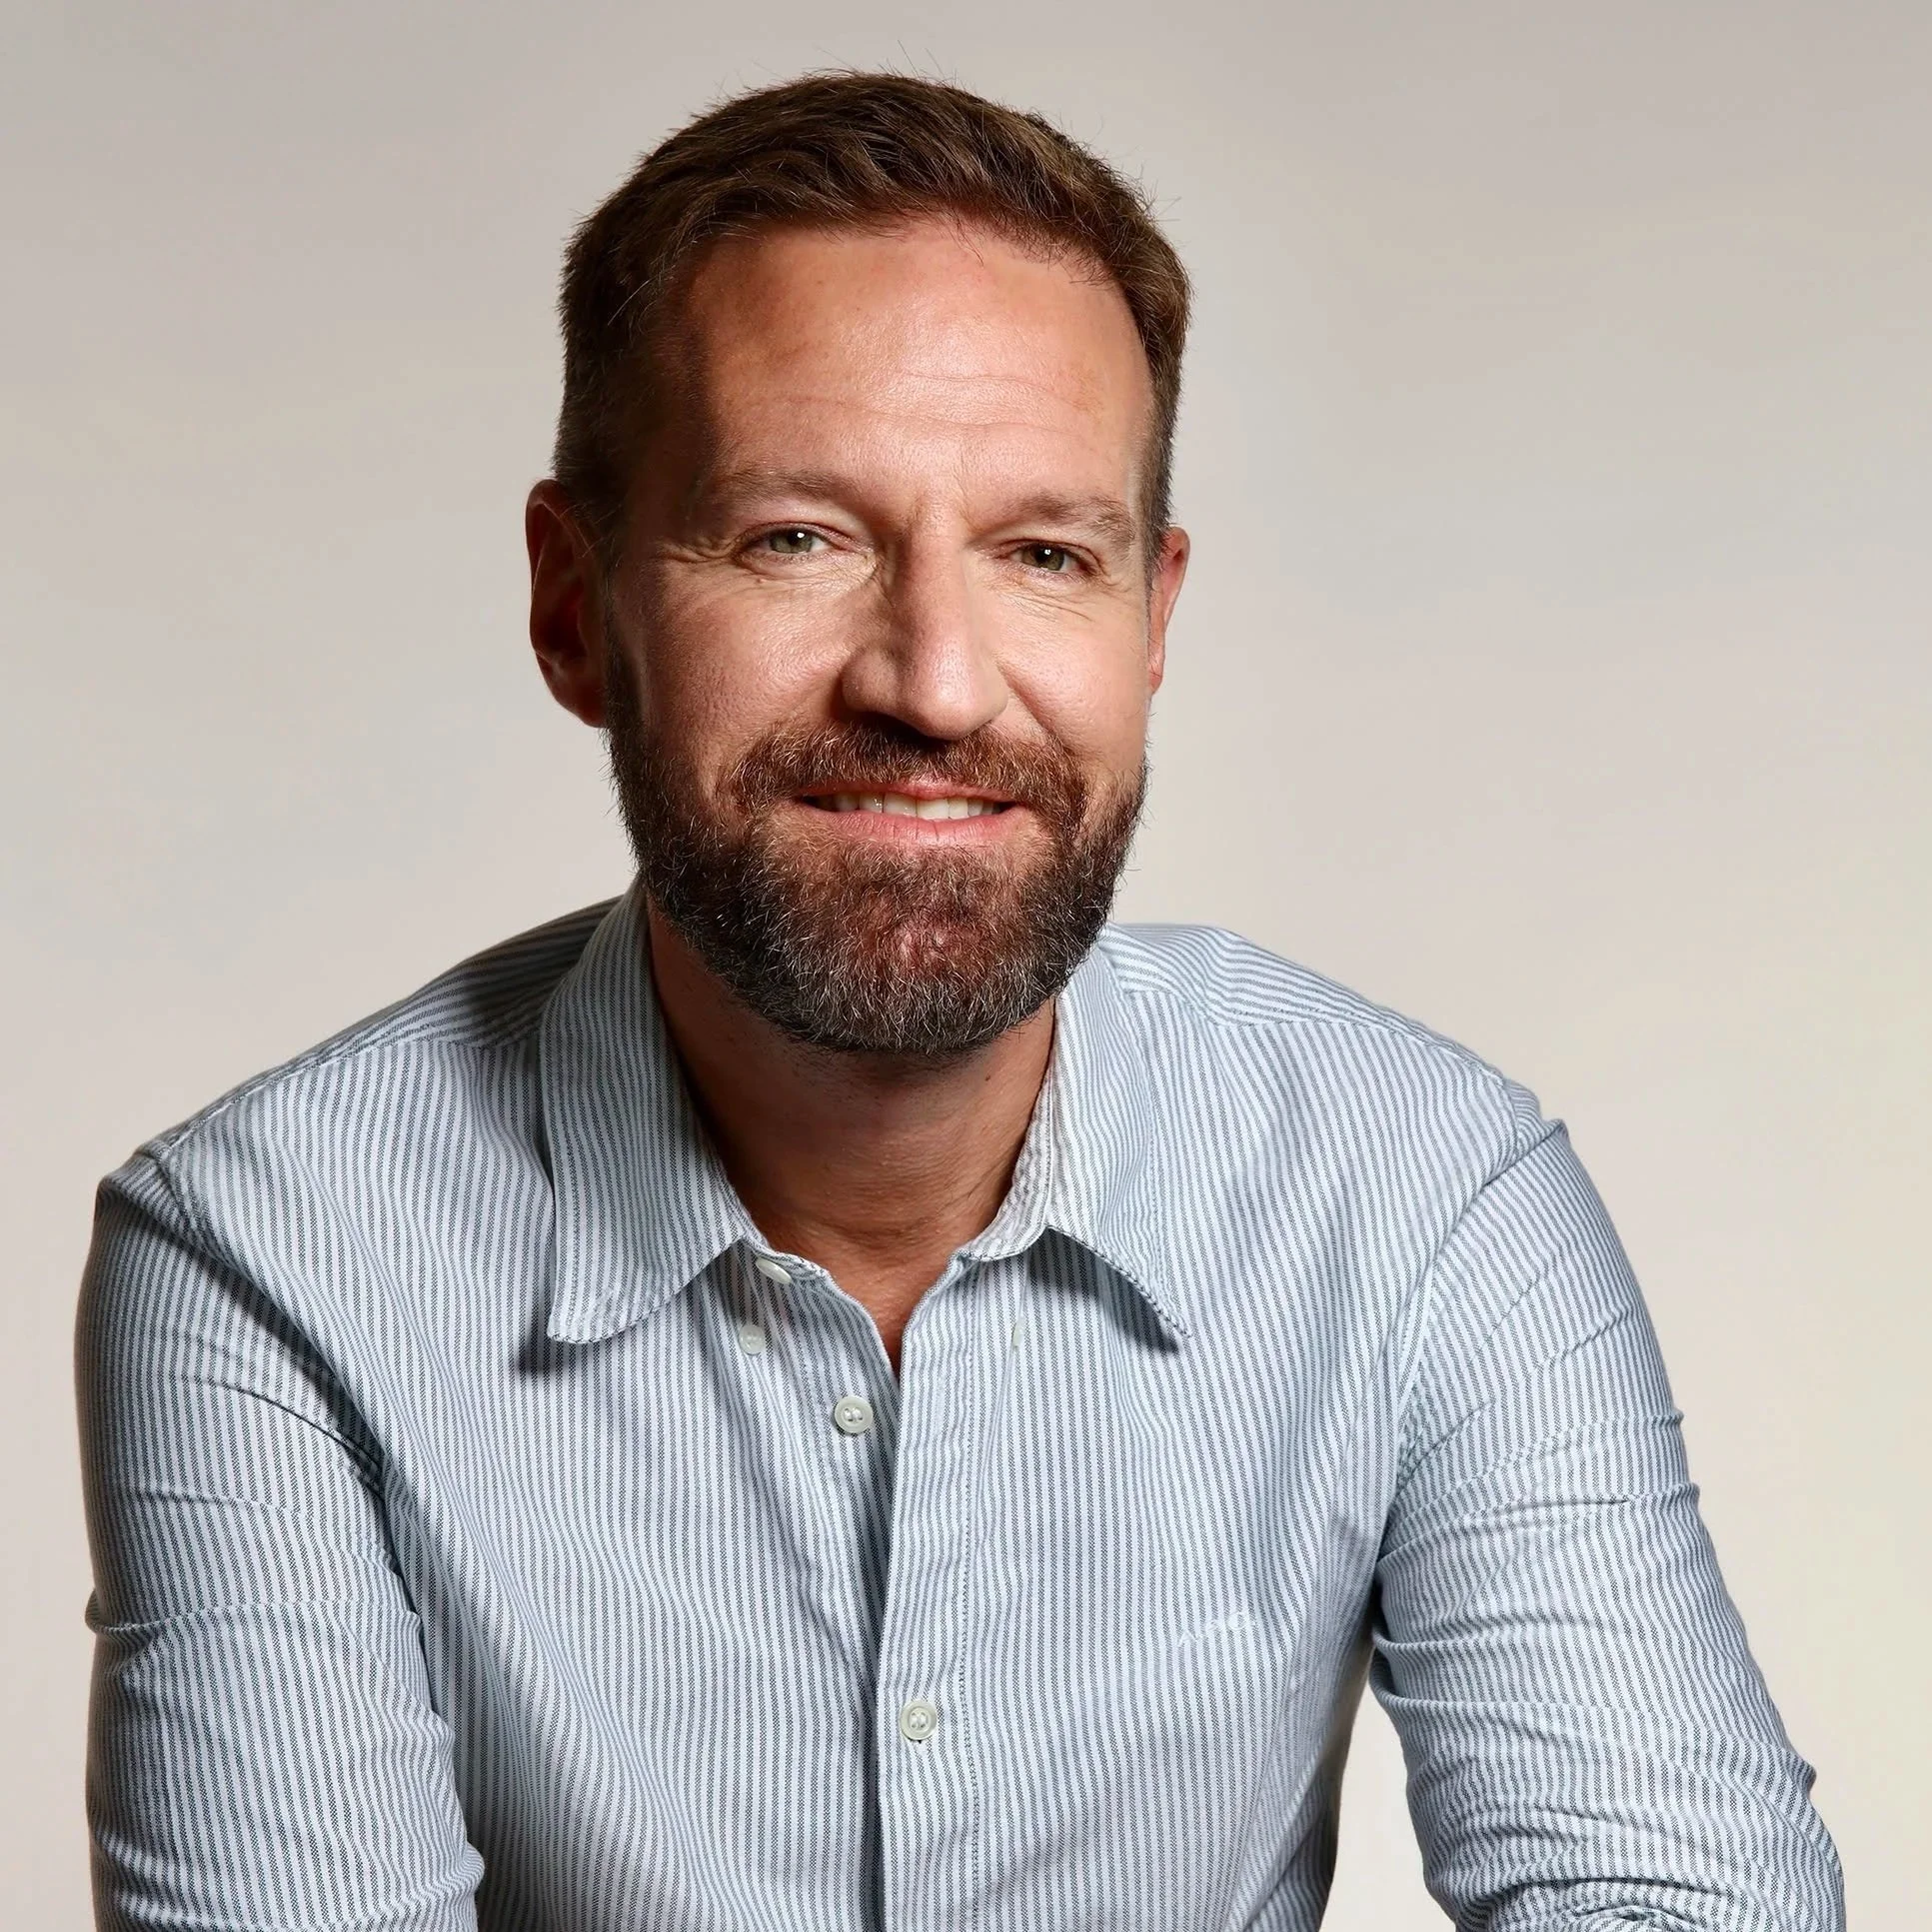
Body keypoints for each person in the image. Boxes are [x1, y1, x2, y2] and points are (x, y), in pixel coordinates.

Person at [76, 71, 1843, 1932]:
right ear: (576, 607)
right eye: (796, 537)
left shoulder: (1424, 1198)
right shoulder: (268, 1252)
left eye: (1044, 555)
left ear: (1153, 626)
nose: (933, 682)